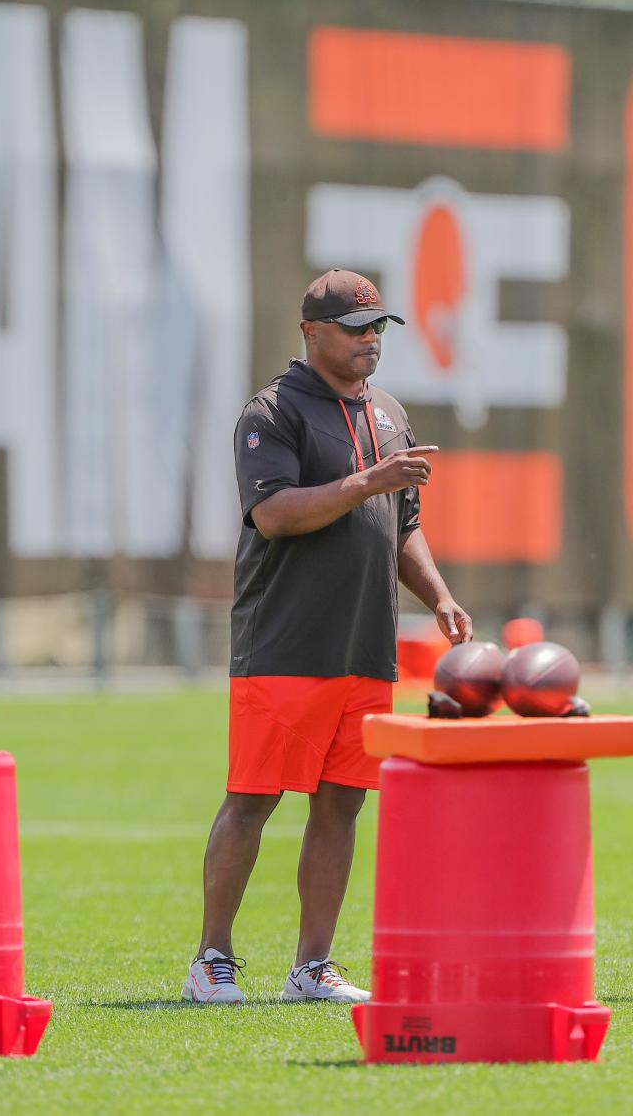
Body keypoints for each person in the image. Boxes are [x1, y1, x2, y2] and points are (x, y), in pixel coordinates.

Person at [182, 269, 472, 1005]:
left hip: (364, 648)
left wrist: (438, 596)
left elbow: (402, 527)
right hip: (283, 645)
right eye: (355, 327)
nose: (371, 340)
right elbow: (274, 513)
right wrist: (369, 482)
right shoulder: (272, 411)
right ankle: (211, 958)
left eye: (378, 327)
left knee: (341, 802)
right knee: (252, 799)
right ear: (312, 332)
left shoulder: (390, 413)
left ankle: (312, 966)